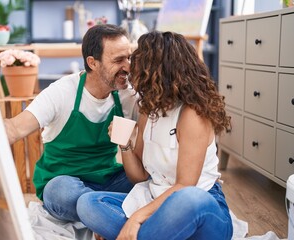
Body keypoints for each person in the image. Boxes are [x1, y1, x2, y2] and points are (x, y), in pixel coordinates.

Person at [76, 31, 233, 240]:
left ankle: (139, 232)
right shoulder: (148, 109)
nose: (131, 67)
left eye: (138, 60)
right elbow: (139, 175)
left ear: (159, 69)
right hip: (154, 202)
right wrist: (124, 145)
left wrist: (136, 218)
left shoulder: (192, 114)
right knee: (88, 204)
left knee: (188, 199)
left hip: (200, 206)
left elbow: (185, 185)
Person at [4, 24, 139, 222]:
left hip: (108, 182)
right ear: (92, 63)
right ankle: (109, 213)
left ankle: (101, 215)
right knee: (59, 193)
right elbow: (15, 128)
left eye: (129, 58)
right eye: (119, 60)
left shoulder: (127, 95)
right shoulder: (61, 92)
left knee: (150, 181)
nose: (127, 66)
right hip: (67, 184)